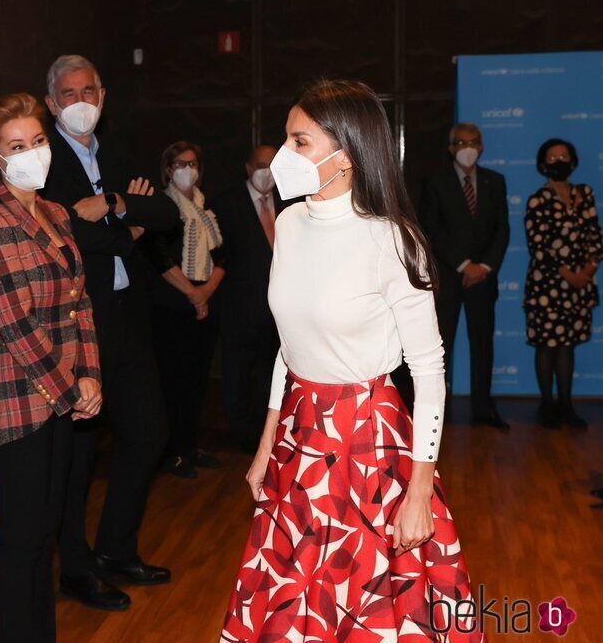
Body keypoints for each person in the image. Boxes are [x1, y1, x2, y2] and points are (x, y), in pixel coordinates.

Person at [221, 79, 482, 642]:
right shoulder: (288, 225)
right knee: (294, 604)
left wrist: (418, 492)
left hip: (369, 444)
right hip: (299, 437)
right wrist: (266, 446)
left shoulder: (393, 240)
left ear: (347, 153)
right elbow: (288, 348)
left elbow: (431, 374)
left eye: (299, 142)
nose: (284, 156)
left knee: (368, 606)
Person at [40, 54, 178, 610]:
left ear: (103, 95)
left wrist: (115, 205)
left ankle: (116, 548)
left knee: (149, 431)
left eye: (88, 91)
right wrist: (129, 224)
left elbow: (167, 214)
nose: (80, 103)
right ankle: (75, 569)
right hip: (76, 324)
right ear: (51, 103)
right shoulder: (42, 163)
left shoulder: (117, 153)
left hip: (126, 316)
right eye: (68, 94)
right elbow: (64, 233)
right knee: (77, 457)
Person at [0, 93, 102, 642]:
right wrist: (71, 389)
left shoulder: (57, 214)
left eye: (38, 141)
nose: (32, 154)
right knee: (23, 542)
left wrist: (90, 373)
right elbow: (16, 326)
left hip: (64, 395)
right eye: (16, 146)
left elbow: (80, 302)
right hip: (21, 402)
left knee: (46, 534)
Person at [141, 141, 225, 478]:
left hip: (203, 303)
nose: (186, 169)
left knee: (196, 381)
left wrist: (205, 293)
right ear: (167, 169)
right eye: (179, 164)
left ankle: (190, 446)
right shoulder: (162, 206)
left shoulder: (206, 208)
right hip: (171, 306)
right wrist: (193, 293)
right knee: (172, 382)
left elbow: (224, 254)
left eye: (192, 163)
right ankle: (172, 451)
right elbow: (158, 255)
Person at [420, 123, 510, 429]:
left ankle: (484, 409)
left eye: (473, 142)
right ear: (451, 148)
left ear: (482, 146)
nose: (467, 147)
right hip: (448, 276)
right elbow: (431, 229)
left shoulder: (495, 182)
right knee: (441, 346)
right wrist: (463, 265)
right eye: (460, 142)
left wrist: (483, 267)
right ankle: (436, 413)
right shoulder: (435, 182)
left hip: (483, 280)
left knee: (483, 344)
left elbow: (502, 230)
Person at [524, 138, 601, 429]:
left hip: (580, 284)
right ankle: (547, 405)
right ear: (543, 164)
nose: (559, 161)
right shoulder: (538, 200)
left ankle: (566, 405)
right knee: (547, 345)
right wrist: (568, 273)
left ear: (574, 160)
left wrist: (588, 270)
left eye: (564, 156)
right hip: (549, 285)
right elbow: (538, 245)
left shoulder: (585, 193)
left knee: (567, 346)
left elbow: (595, 236)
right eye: (553, 158)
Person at [211, 145, 281, 452]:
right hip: (238, 305)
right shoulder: (225, 204)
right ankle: (241, 432)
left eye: (273, 165)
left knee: (270, 371)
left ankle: (266, 430)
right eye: (261, 165)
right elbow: (217, 256)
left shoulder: (290, 202)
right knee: (238, 371)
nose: (267, 171)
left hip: (277, 308)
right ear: (248, 167)